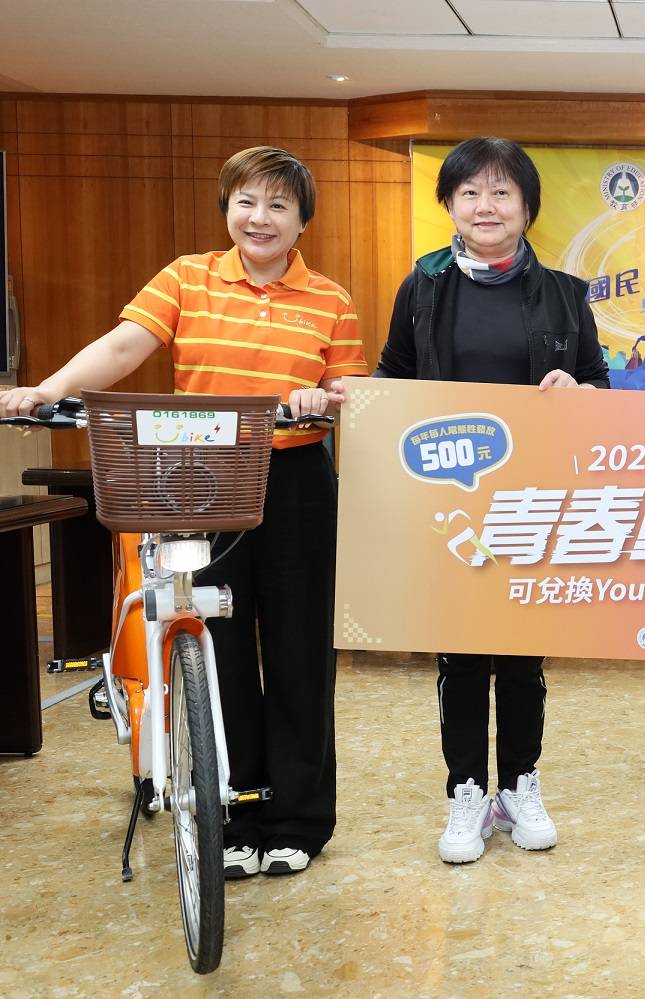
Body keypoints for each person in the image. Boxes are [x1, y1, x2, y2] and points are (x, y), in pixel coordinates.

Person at [0, 146, 365, 878]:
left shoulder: (331, 298)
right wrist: (47, 389)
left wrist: (321, 398)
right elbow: (123, 345)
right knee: (215, 642)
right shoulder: (186, 277)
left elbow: (348, 386)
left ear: (302, 222)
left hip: (295, 478)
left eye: (278, 205)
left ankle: (299, 819)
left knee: (299, 648)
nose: (259, 218)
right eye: (246, 202)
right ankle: (231, 811)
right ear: (226, 208)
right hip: (202, 477)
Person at [375, 137, 608, 865]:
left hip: (533, 502)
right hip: (449, 499)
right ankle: (467, 790)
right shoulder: (422, 287)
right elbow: (393, 377)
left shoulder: (566, 293)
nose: (486, 205)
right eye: (470, 192)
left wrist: (580, 389)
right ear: (449, 204)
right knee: (462, 656)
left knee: (523, 656)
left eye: (502, 192)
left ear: (528, 207)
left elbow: (600, 384)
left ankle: (520, 784)